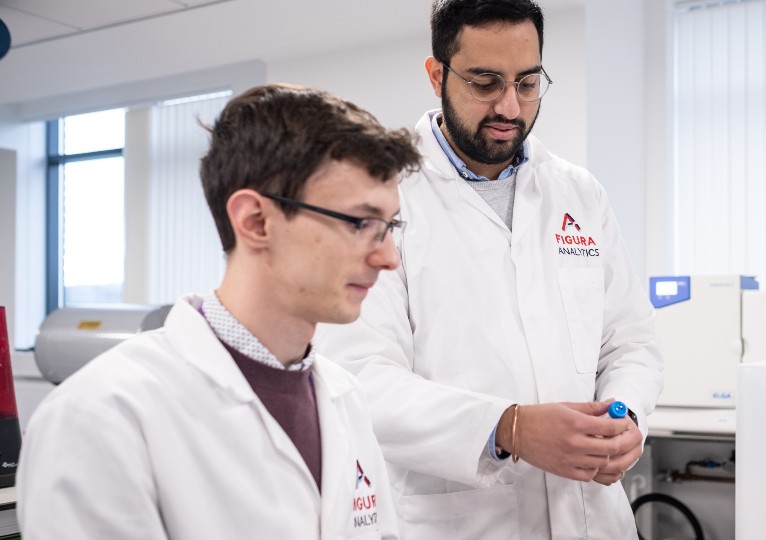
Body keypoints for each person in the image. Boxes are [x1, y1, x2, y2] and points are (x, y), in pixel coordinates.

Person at [313, 1, 664, 538]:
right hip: (460, 520)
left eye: (527, 83)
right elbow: (357, 378)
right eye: (485, 82)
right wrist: (509, 429)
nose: (510, 106)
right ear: (436, 76)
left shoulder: (578, 193)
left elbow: (629, 340)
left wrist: (626, 417)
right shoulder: (383, 194)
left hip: (591, 516)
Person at [16, 84, 420, 540]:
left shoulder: (344, 397)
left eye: (390, 227)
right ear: (255, 221)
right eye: (361, 223)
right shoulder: (101, 416)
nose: (389, 258)